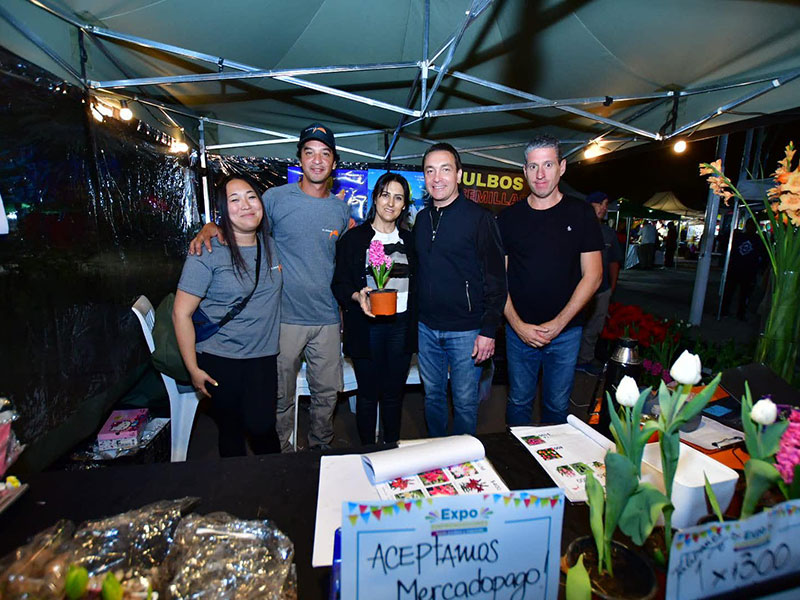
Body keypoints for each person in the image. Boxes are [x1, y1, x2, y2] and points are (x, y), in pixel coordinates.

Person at [190, 123, 350, 451]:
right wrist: (211, 226)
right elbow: (244, 224)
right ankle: (283, 457)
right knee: (280, 397)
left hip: (327, 319)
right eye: (309, 153)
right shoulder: (275, 199)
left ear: (334, 162)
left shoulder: (340, 209)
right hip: (284, 318)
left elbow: (339, 263)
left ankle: (321, 449)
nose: (317, 160)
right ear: (299, 160)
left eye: (325, 154)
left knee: (327, 394)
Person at [173, 175, 282, 456]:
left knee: (262, 427)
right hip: (219, 358)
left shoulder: (272, 245)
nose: (245, 205)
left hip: (263, 356)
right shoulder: (207, 250)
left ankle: (278, 486)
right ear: (223, 209)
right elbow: (181, 314)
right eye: (234, 200)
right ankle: (233, 491)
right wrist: (193, 369)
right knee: (231, 430)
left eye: (251, 196)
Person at [497, 135, 603, 425]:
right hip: (519, 333)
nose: (540, 174)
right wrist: (518, 325)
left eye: (547, 165)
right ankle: (516, 467)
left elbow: (593, 276)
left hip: (566, 333)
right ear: (524, 171)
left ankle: (553, 470)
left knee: (557, 407)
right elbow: (498, 279)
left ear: (562, 167)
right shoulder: (507, 219)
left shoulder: (581, 213)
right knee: (518, 402)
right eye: (533, 166)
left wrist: (559, 324)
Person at [414, 143, 506, 437]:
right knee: (433, 398)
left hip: (466, 331)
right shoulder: (421, 219)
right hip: (427, 328)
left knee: (466, 404)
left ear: (459, 175)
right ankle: (436, 455)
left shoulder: (480, 218)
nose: (437, 177)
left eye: (445, 169)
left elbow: (496, 279)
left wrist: (489, 330)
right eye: (430, 170)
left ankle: (464, 464)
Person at [332, 172, 416, 445]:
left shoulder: (411, 242)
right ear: (375, 198)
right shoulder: (353, 240)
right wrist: (357, 295)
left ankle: (391, 447)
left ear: (404, 205)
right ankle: (367, 450)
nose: (390, 203)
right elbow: (339, 283)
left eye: (398, 197)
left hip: (401, 326)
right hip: (366, 326)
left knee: (394, 393)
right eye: (385, 195)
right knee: (368, 394)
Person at [575, 191, 623, 375]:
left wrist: (611, 288)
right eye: (599, 204)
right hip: (577, 289)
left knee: (594, 327)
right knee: (573, 326)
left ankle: (585, 360)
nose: (604, 208)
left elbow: (613, 263)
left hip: (601, 290)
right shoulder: (576, 228)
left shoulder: (609, 234)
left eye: (605, 204)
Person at [721, 219, 766, 320]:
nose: (751, 228)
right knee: (730, 291)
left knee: (744, 294)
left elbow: (762, 254)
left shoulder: (757, 239)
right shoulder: (739, 236)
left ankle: (740, 313)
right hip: (736, 269)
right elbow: (725, 244)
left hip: (748, 271)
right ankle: (725, 310)